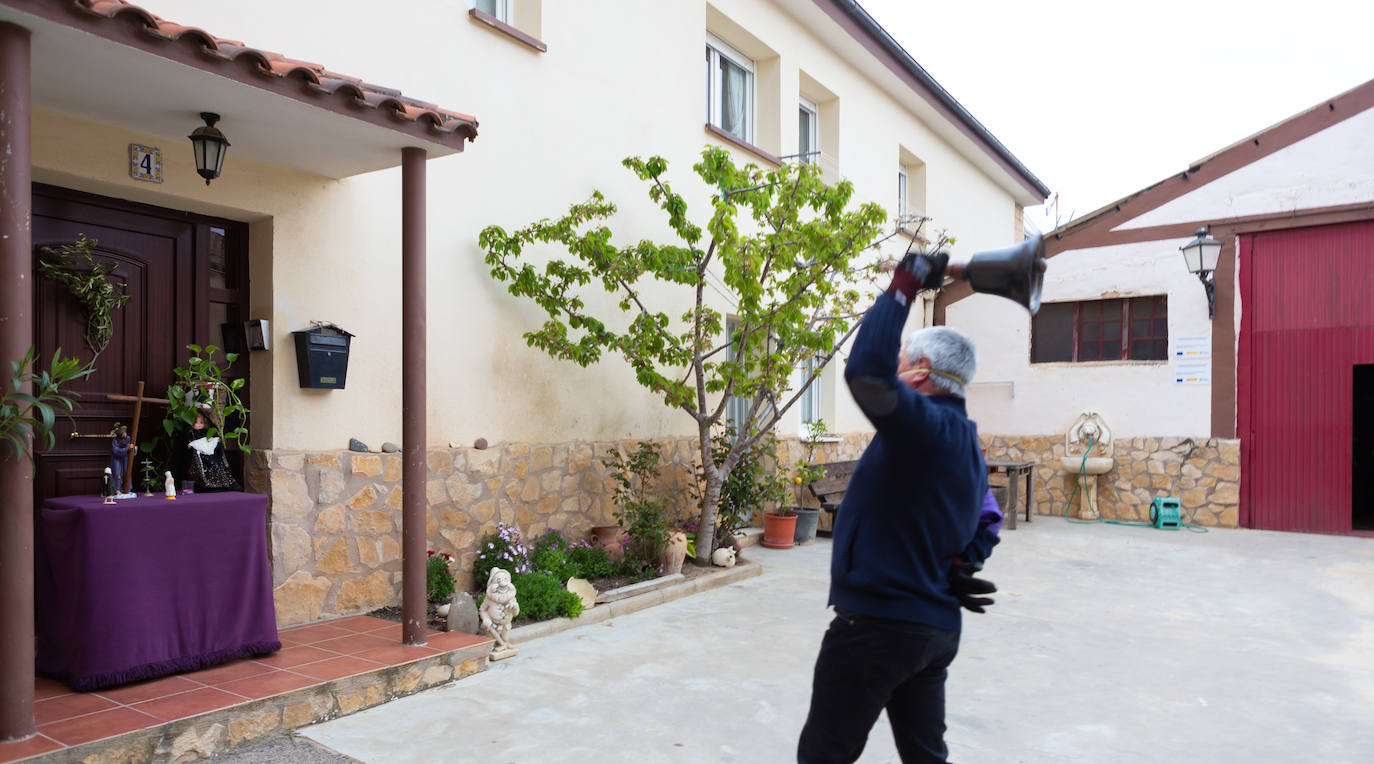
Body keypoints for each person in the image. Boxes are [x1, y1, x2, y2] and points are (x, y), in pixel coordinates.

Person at [797, 249, 1000, 763]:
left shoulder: (924, 427)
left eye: (903, 358)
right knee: (925, 757)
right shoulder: (966, 440)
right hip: (933, 629)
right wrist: (961, 565)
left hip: (877, 630)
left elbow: (864, 370)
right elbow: (988, 520)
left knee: (824, 755)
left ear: (921, 372)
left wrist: (904, 286)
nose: (895, 363)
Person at [172, 410, 241, 492]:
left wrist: (216, 441)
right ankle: (203, 484)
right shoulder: (190, 433)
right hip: (198, 458)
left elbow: (212, 442)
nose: (198, 425)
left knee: (216, 466)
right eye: (196, 422)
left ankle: (219, 484)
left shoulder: (208, 432)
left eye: (201, 422)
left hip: (210, 456)